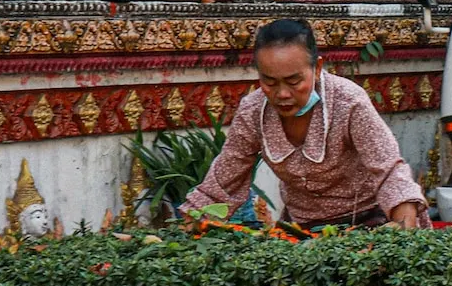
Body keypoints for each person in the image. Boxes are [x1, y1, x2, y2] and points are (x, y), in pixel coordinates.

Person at [183, 19, 427, 229]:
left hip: (369, 222)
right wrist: (184, 230)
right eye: (269, 82)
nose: (282, 94)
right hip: (301, 231)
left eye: (293, 81)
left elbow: (390, 171)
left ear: (317, 68)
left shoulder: (348, 102)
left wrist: (402, 230)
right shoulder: (253, 112)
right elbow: (223, 181)